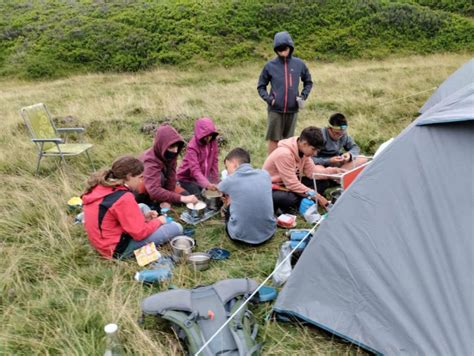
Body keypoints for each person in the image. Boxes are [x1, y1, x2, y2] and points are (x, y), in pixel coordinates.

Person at [82, 156, 183, 259]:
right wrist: (159, 221)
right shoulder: (124, 198)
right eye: (140, 177)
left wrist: (143, 219)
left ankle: (148, 224)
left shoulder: (102, 185)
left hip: (101, 241)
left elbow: (114, 215)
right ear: (129, 176)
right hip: (116, 250)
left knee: (142, 206)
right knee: (176, 227)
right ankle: (137, 247)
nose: (141, 182)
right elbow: (139, 234)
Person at [263, 126, 344, 214]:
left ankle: (303, 200)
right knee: (290, 198)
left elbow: (312, 172)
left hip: (288, 184)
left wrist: (335, 172)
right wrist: (318, 197)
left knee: (322, 182)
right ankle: (285, 207)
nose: (315, 153)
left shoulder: (303, 151)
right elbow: (292, 184)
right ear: (304, 144)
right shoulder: (284, 154)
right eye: (314, 149)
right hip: (273, 188)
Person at [257, 31, 313, 155]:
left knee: (289, 141)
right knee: (274, 139)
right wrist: (270, 99)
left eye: (285, 49)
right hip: (275, 110)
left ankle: (285, 166)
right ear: (276, 50)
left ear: (290, 47)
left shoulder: (299, 64)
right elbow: (261, 86)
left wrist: (303, 96)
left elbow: (308, 82)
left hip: (293, 109)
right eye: (279, 49)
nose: (282, 52)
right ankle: (271, 170)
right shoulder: (270, 66)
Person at [218, 148, 276, 245]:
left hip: (240, 237)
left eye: (227, 167)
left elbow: (218, 190)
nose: (227, 172)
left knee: (229, 205)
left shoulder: (230, 180)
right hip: (268, 233)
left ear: (234, 163)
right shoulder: (265, 174)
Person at [140, 124, 198, 207]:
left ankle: (161, 199)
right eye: (171, 147)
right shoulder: (150, 160)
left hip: (162, 187)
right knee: (161, 178)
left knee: (186, 196)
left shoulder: (171, 155)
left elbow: (171, 179)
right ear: (162, 145)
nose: (175, 150)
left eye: (177, 147)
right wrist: (181, 198)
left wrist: (168, 200)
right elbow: (154, 190)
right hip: (146, 188)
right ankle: (152, 203)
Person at [312, 113, 367, 194]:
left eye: (342, 133)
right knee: (316, 169)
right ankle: (339, 176)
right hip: (321, 165)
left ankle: (337, 177)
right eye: (337, 133)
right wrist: (329, 160)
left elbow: (355, 147)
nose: (339, 136)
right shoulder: (320, 136)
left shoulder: (343, 134)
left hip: (337, 164)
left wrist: (349, 155)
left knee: (362, 158)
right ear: (329, 129)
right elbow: (310, 159)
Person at [177, 117, 219, 196]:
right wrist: (207, 185)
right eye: (206, 136)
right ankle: (179, 186)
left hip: (202, 177)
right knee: (198, 195)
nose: (209, 139)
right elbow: (195, 170)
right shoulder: (192, 147)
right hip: (187, 179)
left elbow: (214, 162)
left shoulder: (213, 142)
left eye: (210, 135)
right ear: (200, 134)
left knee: (215, 190)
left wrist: (215, 181)